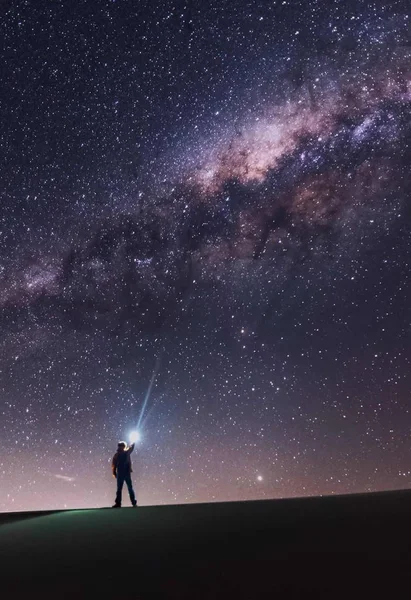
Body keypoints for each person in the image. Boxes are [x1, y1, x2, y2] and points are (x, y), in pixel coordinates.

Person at [111, 441, 137, 508]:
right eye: (120, 446)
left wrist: (133, 442)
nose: (120, 447)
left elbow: (131, 447)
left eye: (121, 446)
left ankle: (132, 502)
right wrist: (114, 472)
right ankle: (120, 503)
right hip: (122, 473)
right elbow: (114, 464)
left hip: (125, 473)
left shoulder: (125, 452)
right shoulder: (119, 454)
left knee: (128, 488)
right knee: (122, 489)